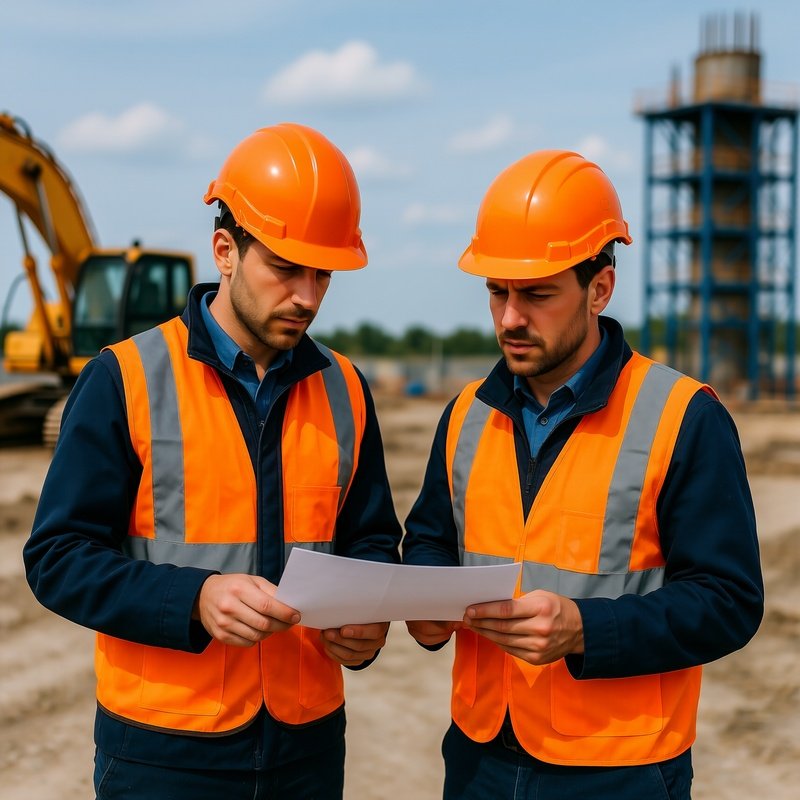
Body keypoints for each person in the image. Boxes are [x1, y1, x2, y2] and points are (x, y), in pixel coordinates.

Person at [24, 123, 401, 799]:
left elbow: (369, 537)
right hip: (164, 751)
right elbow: (58, 558)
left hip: (307, 746)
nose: (308, 296)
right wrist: (193, 600)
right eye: (286, 268)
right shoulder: (125, 378)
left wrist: (367, 624)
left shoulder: (345, 389)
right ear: (225, 250)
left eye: (323, 274)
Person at [402, 149, 763, 799]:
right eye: (497, 292)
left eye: (537, 295)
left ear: (600, 288)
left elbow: (728, 602)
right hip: (480, 759)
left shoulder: (683, 417)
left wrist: (586, 630)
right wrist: (425, 606)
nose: (510, 318)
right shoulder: (465, 415)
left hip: (619, 771)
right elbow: (431, 538)